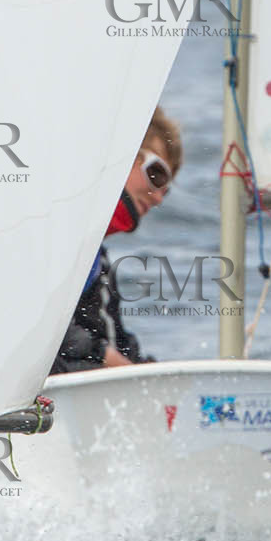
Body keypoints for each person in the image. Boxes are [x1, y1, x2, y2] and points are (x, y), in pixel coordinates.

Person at [51, 107, 182, 374]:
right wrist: (101, 354)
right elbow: (35, 328)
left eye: (166, 191)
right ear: (122, 155)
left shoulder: (97, 260)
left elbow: (116, 344)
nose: (157, 197)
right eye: (157, 175)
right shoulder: (53, 233)